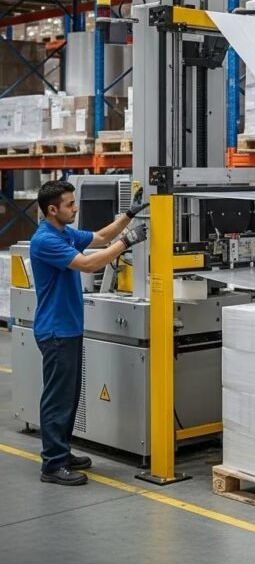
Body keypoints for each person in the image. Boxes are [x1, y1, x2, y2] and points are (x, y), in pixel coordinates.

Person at [30, 180, 149, 486]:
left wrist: (129, 216)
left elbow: (98, 238)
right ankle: (52, 465)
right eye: (70, 205)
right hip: (56, 331)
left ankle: (62, 452)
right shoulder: (45, 240)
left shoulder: (64, 232)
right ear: (52, 210)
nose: (76, 208)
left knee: (69, 396)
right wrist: (126, 243)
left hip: (68, 328)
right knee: (58, 398)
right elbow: (87, 264)